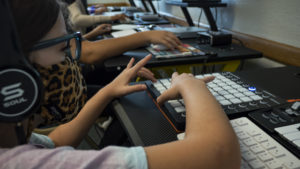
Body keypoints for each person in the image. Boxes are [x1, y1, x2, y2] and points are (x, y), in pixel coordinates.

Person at [0, 0, 241, 169]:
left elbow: (55, 142)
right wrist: (192, 86)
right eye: (64, 49)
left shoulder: (17, 145)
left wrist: (107, 91)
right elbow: (218, 156)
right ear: (13, 81)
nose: (70, 59)